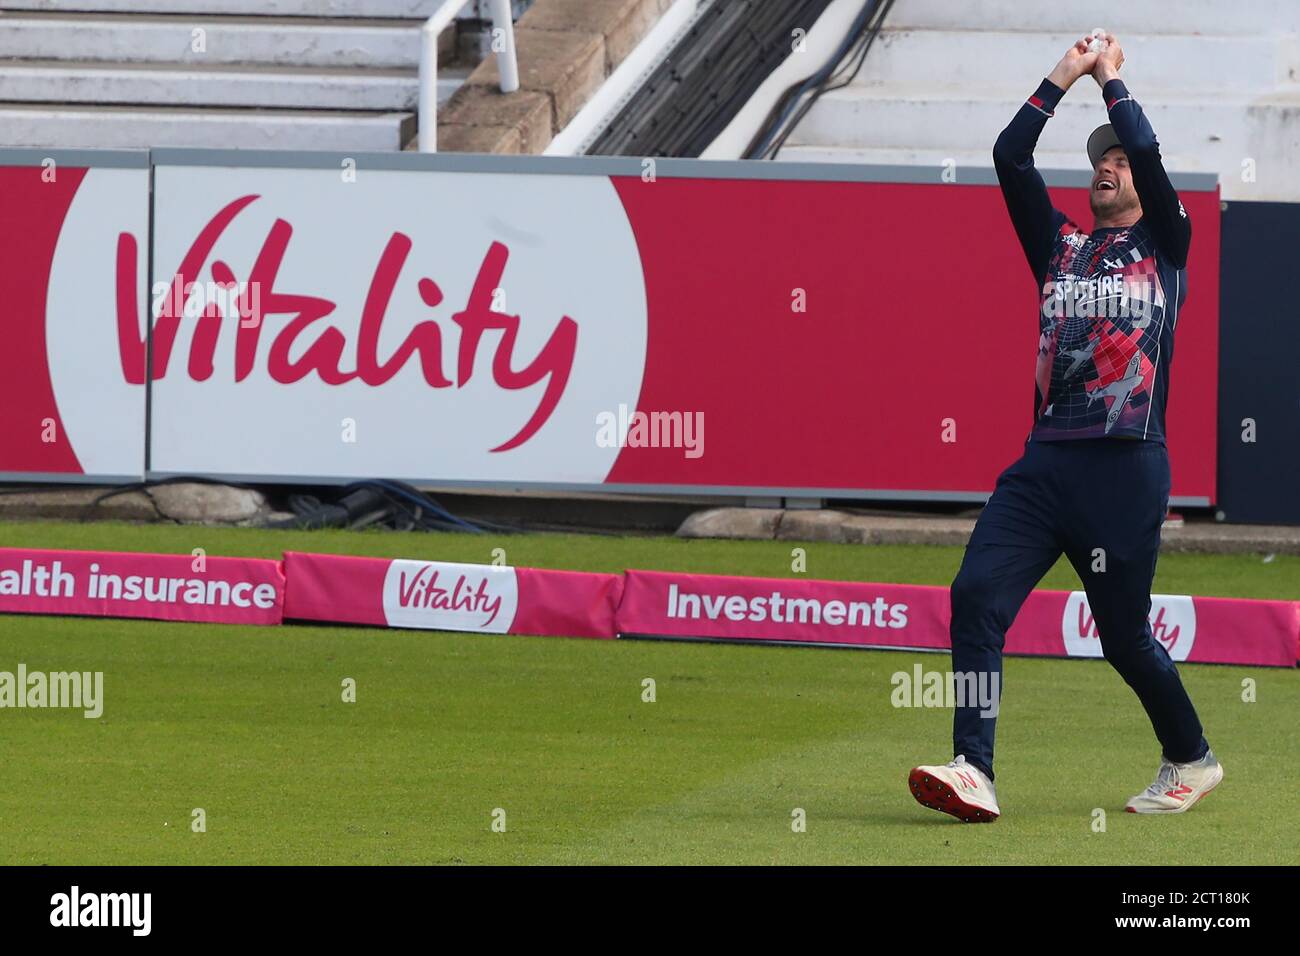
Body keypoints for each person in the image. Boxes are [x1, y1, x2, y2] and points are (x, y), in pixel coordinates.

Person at [908, 34, 1222, 822]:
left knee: (1123, 639)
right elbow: (1010, 156)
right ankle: (972, 768)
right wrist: (1063, 75)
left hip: (1125, 468)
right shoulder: (1060, 246)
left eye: (1117, 159)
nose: (1106, 166)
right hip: (1045, 465)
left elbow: (1147, 149)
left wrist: (1111, 81)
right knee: (975, 595)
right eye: (1099, 159)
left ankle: (1190, 756)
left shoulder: (1167, 243)